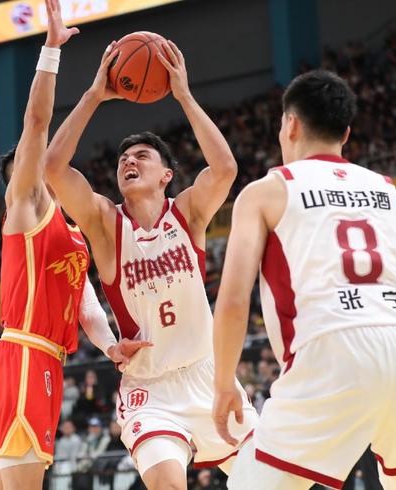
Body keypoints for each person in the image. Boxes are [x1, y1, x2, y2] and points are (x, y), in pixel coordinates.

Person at [212, 70, 396, 490]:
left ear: (290, 124)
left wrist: (224, 383)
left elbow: (231, 302)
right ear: (346, 133)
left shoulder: (266, 192)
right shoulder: (392, 194)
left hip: (328, 351)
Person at [44, 38, 257, 490]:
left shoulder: (189, 214)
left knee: (273, 482)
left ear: (166, 175)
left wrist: (184, 95)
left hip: (208, 374)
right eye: (123, 158)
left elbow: (224, 169)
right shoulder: (106, 225)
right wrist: (94, 95)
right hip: (151, 388)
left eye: (142, 156)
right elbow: (54, 169)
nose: (128, 160)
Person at [0, 2, 149, 489]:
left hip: (46, 361)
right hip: (24, 358)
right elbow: (36, 124)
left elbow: (86, 305)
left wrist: (111, 346)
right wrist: (51, 51)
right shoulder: (26, 207)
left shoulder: (73, 232)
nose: (34, 166)